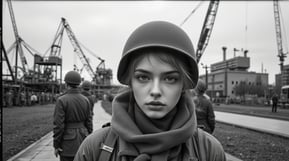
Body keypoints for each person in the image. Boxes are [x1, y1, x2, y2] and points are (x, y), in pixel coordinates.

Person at [74, 21, 225, 161]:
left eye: (170, 79)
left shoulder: (209, 151)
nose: (155, 91)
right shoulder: (94, 148)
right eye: (143, 77)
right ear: (130, 82)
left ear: (183, 85)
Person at [53, 70, 93, 161]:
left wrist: (56, 144)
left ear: (66, 84)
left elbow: (58, 125)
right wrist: (90, 140)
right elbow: (89, 122)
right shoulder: (86, 100)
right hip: (83, 139)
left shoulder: (61, 100)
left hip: (67, 143)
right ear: (79, 84)